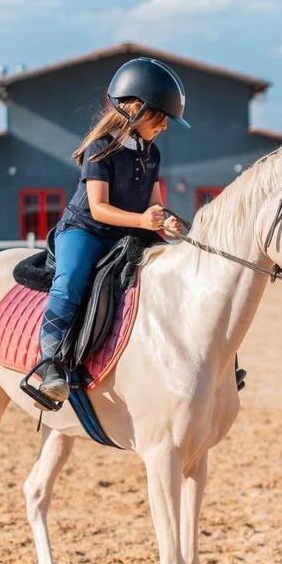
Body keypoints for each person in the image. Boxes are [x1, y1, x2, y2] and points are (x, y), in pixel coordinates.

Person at [37, 57, 187, 405]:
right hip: (86, 230)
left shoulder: (152, 152)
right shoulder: (100, 148)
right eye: (161, 118)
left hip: (128, 233)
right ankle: (50, 362)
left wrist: (167, 222)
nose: (165, 126)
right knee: (71, 280)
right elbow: (99, 207)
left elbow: (155, 206)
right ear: (136, 111)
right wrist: (141, 221)